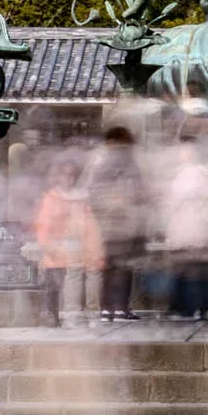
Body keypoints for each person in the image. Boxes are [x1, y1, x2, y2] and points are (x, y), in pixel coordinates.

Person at [32, 154, 100, 326]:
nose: (68, 179)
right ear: (58, 177)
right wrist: (48, 246)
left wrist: (92, 247)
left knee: (76, 282)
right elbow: (43, 225)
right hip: (56, 250)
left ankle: (73, 314)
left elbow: (89, 225)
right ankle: (51, 315)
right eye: (65, 175)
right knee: (53, 286)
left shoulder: (80, 198)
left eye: (71, 176)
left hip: (76, 249)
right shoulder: (52, 198)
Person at [90, 128, 148, 322]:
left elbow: (94, 196)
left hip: (107, 227)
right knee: (123, 268)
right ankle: (121, 308)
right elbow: (139, 194)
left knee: (109, 269)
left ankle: (106, 309)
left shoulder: (100, 164)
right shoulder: (131, 164)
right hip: (125, 226)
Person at [163, 142, 208, 319]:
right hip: (189, 229)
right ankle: (195, 307)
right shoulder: (192, 174)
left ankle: (192, 307)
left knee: (192, 271)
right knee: (191, 271)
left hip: (191, 229)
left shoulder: (193, 175)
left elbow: (173, 202)